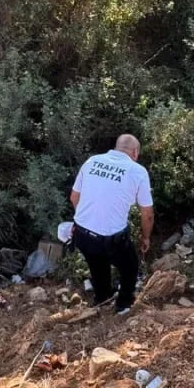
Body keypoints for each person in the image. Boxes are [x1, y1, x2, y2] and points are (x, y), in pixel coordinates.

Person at [69, 134, 154, 314]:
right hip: (111, 239)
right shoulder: (137, 171)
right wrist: (146, 237)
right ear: (135, 152)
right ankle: (123, 305)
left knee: (97, 265)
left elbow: (74, 197)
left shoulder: (92, 161)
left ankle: (102, 297)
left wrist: (87, 219)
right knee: (129, 267)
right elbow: (147, 214)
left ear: (116, 147)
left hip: (82, 234)